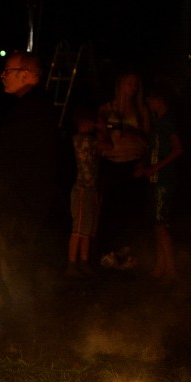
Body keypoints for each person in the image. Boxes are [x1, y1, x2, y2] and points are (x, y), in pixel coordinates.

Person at [0, 51, 62, 330]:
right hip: (25, 202)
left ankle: (26, 331)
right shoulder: (30, 107)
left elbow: (1, 148)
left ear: (27, 75)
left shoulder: (32, 110)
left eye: (8, 70)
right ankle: (27, 327)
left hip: (22, 205)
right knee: (19, 268)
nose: (3, 75)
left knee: (17, 270)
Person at [96, 70, 150, 270]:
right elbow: (99, 137)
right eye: (129, 83)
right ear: (120, 85)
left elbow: (148, 140)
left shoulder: (141, 110)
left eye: (136, 84)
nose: (133, 88)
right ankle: (108, 252)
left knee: (131, 210)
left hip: (133, 163)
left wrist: (143, 162)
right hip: (113, 162)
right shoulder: (106, 108)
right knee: (111, 209)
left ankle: (127, 253)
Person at [135, 85, 184, 281]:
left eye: (150, 98)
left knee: (161, 224)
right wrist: (144, 165)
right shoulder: (158, 123)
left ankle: (171, 270)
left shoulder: (167, 123)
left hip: (164, 180)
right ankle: (160, 266)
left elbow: (178, 149)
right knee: (156, 224)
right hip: (155, 180)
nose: (148, 101)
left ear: (160, 100)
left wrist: (155, 168)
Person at [66, 104, 110, 278]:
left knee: (87, 229)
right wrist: (104, 129)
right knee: (79, 229)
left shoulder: (88, 140)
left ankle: (83, 263)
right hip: (82, 189)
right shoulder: (82, 139)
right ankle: (71, 264)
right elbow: (109, 146)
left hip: (90, 189)